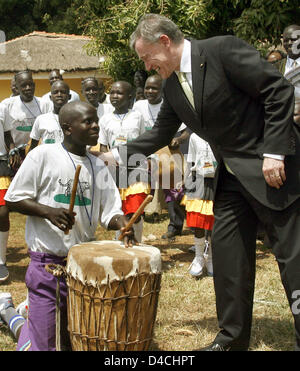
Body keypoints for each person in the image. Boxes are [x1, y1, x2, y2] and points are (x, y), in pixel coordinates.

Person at [100, 14, 300, 351]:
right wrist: (117, 155)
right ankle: (230, 339)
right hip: (230, 180)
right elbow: (162, 132)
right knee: (229, 259)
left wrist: (275, 151)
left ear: (164, 41)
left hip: (273, 172)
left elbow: (278, 91)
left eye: (147, 56)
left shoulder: (222, 50)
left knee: (292, 259)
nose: (148, 66)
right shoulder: (173, 85)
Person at [2, 101, 135, 351]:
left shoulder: (98, 166)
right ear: (68, 128)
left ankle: (18, 315)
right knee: (48, 347)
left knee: (75, 341)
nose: (96, 125)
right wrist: (48, 212)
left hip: (82, 268)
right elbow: (13, 198)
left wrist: (122, 223)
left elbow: (111, 212)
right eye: (88, 121)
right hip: (47, 265)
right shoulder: (43, 155)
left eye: (96, 120)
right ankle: (10, 312)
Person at [98, 81, 149, 243]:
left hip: (136, 170)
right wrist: (110, 164)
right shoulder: (105, 119)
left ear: (130, 97)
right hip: (115, 172)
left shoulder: (138, 117)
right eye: (112, 93)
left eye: (119, 93)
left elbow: (144, 141)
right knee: (119, 209)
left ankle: (137, 242)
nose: (114, 96)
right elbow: (104, 145)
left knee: (135, 210)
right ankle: (120, 242)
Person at [182, 133, 216, 277]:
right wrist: (185, 181)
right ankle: (199, 257)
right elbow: (190, 162)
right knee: (198, 222)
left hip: (216, 181)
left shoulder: (220, 132)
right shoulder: (194, 136)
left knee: (214, 223)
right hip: (198, 180)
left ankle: (212, 260)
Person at [4, 71, 47, 163]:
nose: (28, 88)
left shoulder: (44, 104)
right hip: (15, 153)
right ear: (17, 87)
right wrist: (12, 150)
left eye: (30, 85)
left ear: (34, 85)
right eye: (23, 85)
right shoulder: (7, 105)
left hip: (39, 154)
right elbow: (5, 132)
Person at [0, 103, 20, 282]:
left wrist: (12, 148)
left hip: (1, 162)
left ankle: (1, 261)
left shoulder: (2, 108)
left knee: (2, 212)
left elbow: (7, 134)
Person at [28, 80, 70, 152]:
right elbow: (33, 147)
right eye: (55, 92)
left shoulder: (76, 119)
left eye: (63, 92)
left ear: (69, 96)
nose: (59, 94)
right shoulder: (41, 119)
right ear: (50, 97)